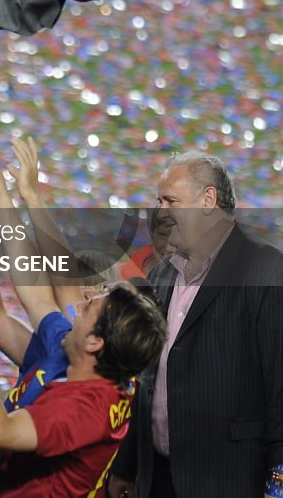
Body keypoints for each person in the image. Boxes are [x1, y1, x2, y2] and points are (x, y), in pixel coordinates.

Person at [0, 139, 167, 497]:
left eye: (89, 304)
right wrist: (6, 203)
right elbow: (39, 287)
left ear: (96, 341)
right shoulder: (76, 351)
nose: (76, 303)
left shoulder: (81, 411)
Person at [107, 152, 283, 498]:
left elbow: (281, 387)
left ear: (207, 200)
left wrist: (277, 483)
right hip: (158, 477)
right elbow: (147, 379)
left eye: (170, 200)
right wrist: (127, 465)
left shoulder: (265, 269)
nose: (161, 211)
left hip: (230, 480)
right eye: (159, 201)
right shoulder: (162, 272)